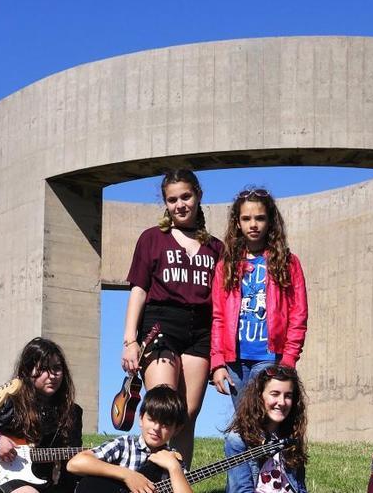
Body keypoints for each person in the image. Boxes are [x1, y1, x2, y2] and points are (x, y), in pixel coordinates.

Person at [121, 169, 224, 466]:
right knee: (162, 409)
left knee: (186, 417)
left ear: (198, 196)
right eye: (172, 199)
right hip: (160, 325)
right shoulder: (152, 239)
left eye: (186, 197)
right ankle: (146, 479)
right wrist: (130, 341)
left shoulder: (216, 248)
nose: (180, 204)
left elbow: (220, 302)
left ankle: (178, 481)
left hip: (200, 331)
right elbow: (139, 290)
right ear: (165, 204)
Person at [210, 188, 308, 407]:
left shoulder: (288, 263)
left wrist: (289, 358)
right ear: (237, 222)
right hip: (235, 360)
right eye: (246, 218)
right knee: (244, 424)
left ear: (270, 221)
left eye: (260, 218)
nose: (253, 224)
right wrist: (217, 361)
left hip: (270, 357)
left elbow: (298, 315)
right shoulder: (225, 266)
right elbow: (218, 317)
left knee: (264, 420)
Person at [0, 337, 83, 493]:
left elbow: (73, 460)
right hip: (3, 481)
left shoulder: (73, 412)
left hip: (47, 483)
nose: (52, 375)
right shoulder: (8, 402)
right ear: (27, 371)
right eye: (43, 369)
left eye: (57, 368)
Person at [66, 385, 192, 493]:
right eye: (152, 419)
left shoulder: (173, 460)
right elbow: (75, 464)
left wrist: (174, 467)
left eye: (165, 424)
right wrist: (127, 475)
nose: (156, 428)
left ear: (177, 429)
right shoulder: (125, 445)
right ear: (141, 418)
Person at [223, 365, 308, 493]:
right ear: (259, 397)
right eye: (275, 394)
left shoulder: (292, 435)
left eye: (288, 396)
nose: (282, 402)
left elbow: (300, 487)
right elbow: (241, 490)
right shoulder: (237, 440)